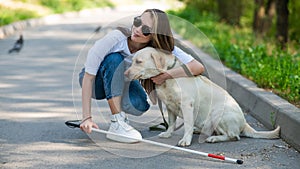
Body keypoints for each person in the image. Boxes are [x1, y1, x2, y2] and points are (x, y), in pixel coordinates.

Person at [79, 9, 205, 143]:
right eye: (137, 22)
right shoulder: (115, 39)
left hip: (123, 81)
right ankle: (117, 121)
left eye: (145, 29)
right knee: (115, 59)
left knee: (139, 105)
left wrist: (166, 75)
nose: (137, 29)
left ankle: (120, 113)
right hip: (96, 83)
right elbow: (88, 77)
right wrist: (87, 117)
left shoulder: (157, 48)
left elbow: (197, 67)